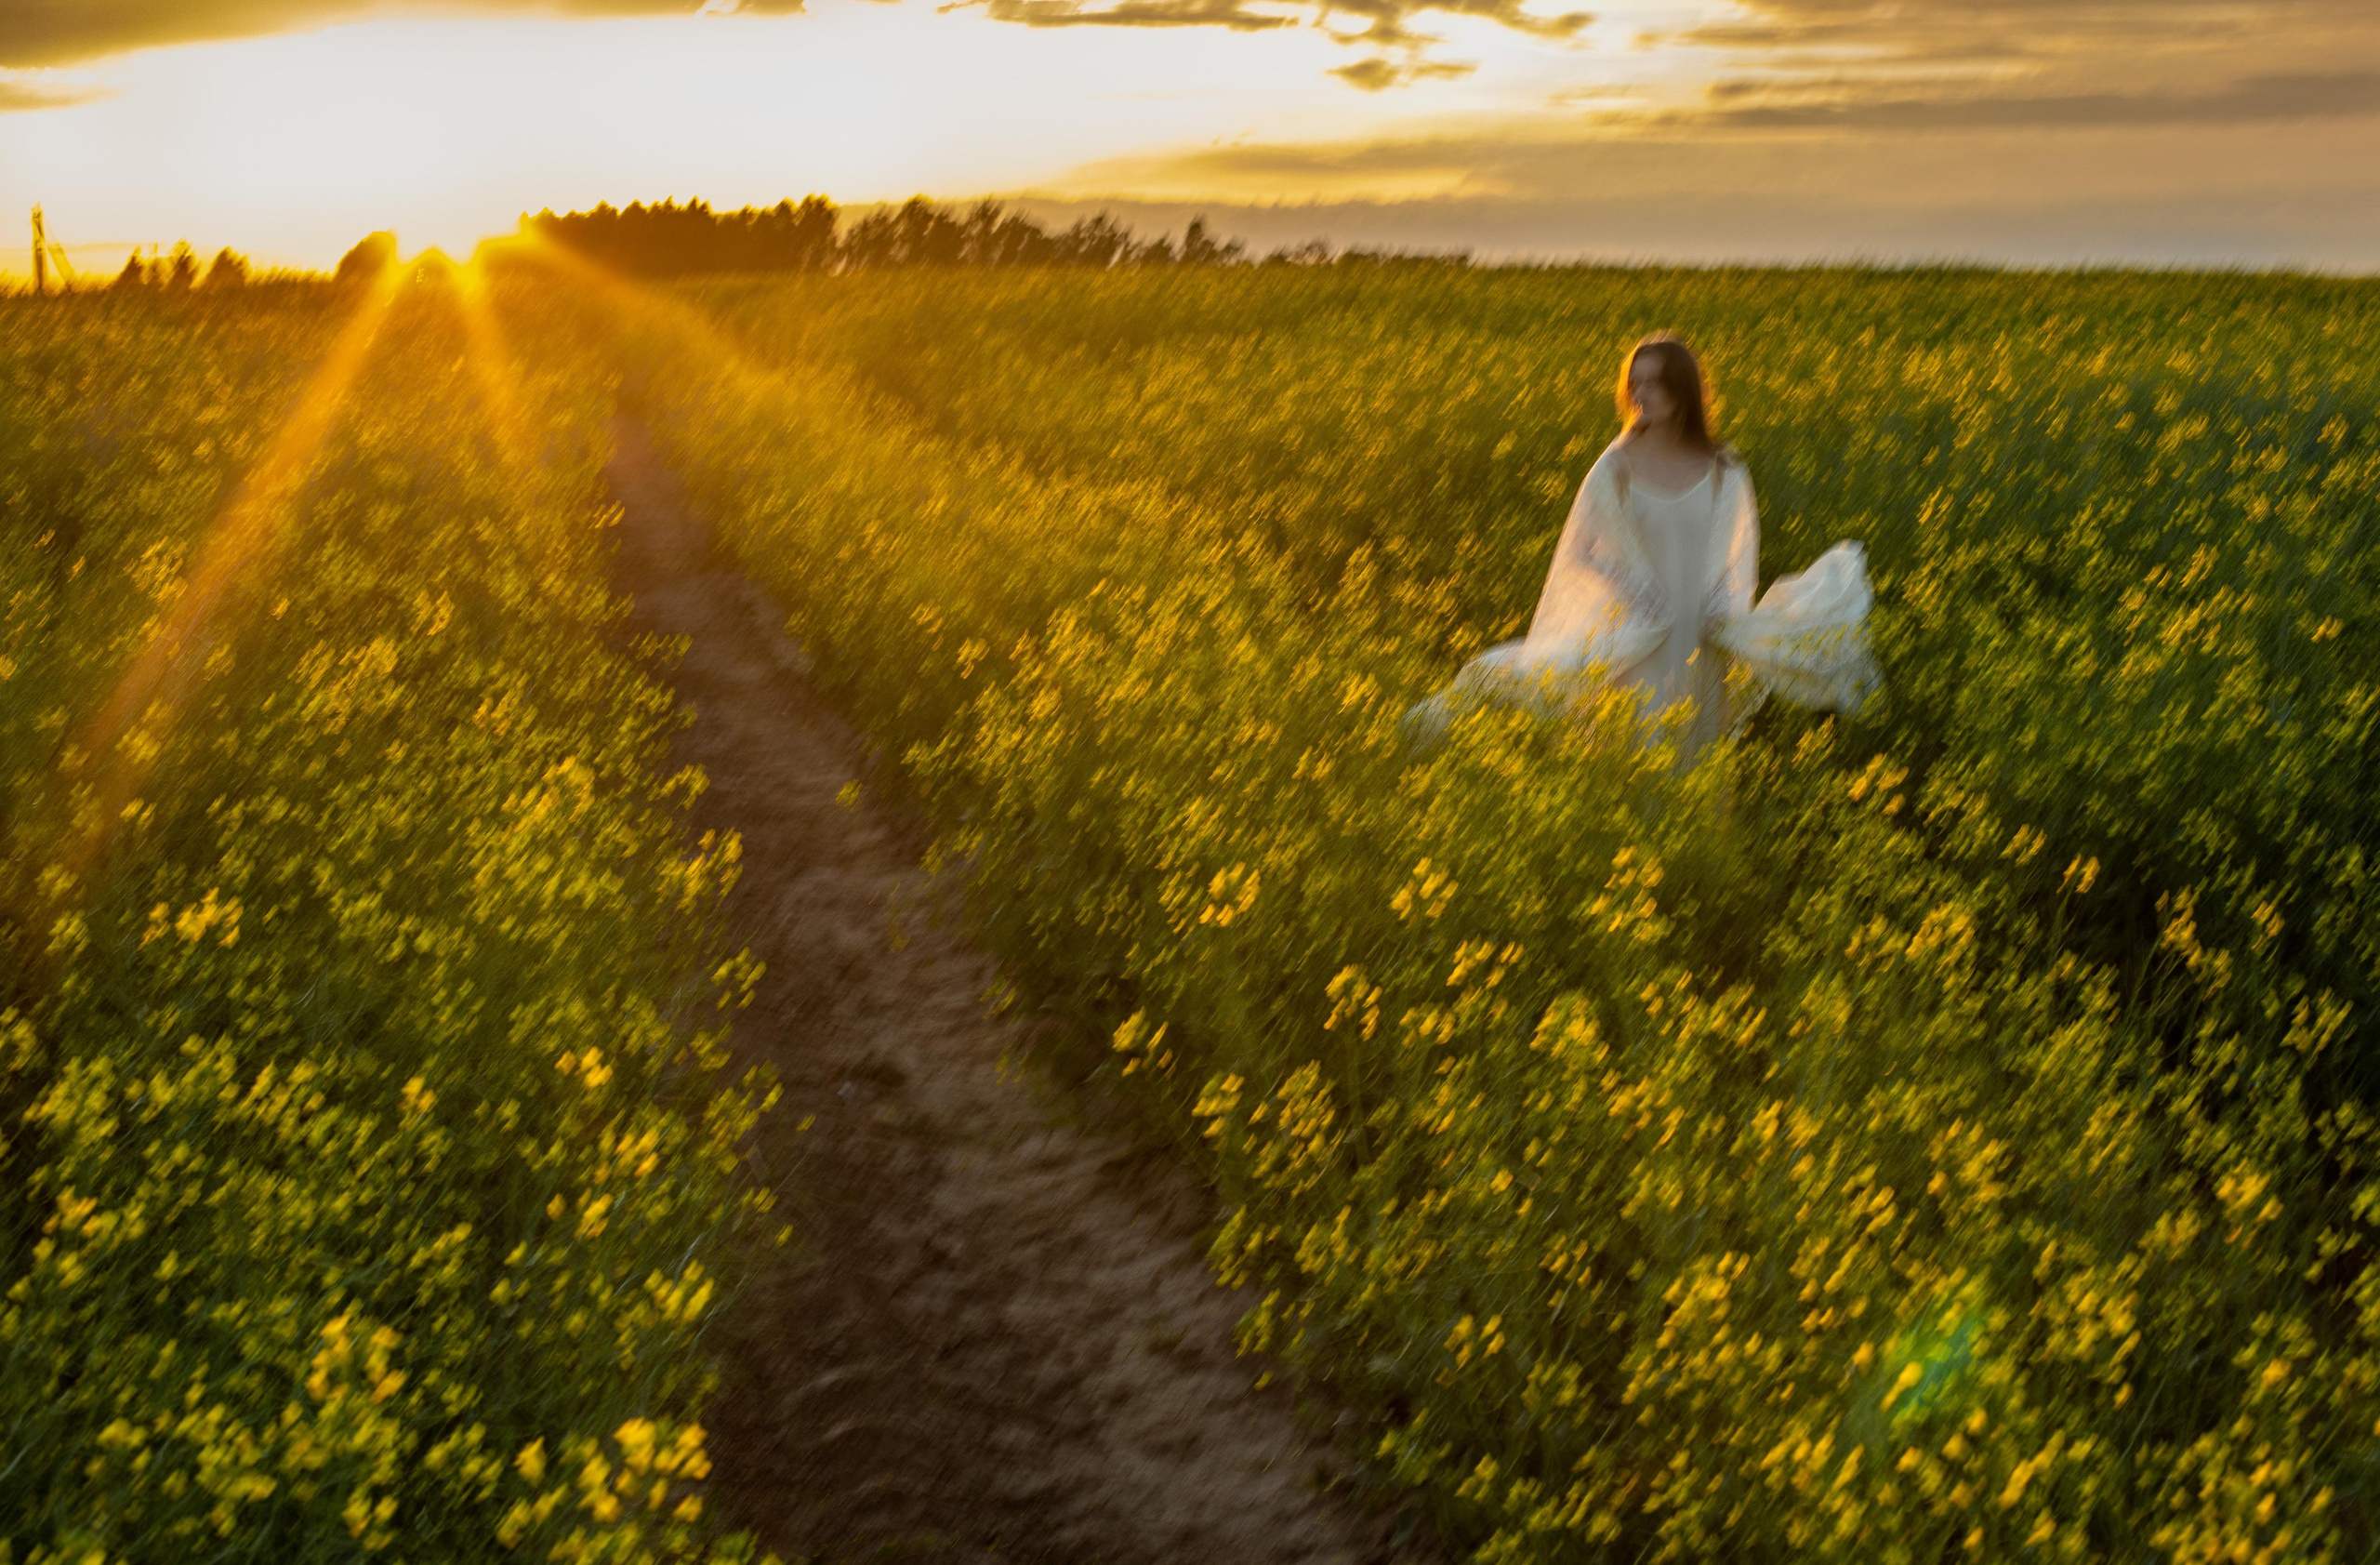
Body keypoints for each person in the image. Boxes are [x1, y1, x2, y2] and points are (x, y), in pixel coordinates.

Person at [1404, 332, 1879, 762]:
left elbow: (1737, 555)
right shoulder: (1615, 468)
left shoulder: (1724, 468)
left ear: (1683, 389)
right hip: (1640, 637)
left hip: (1702, 639)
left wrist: (1721, 601)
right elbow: (1580, 552)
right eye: (1635, 382)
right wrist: (1637, 590)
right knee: (1636, 758)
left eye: (1654, 382)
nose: (1641, 393)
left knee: (1698, 764)